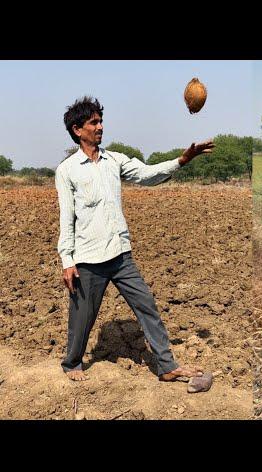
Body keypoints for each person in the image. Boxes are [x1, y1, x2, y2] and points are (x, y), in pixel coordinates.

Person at [55, 96, 213, 383]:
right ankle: (72, 363)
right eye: (94, 122)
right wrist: (67, 260)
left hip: (120, 254)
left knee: (146, 306)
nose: (101, 126)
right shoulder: (67, 171)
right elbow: (67, 219)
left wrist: (182, 160)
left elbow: (147, 175)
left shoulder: (114, 160)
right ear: (78, 130)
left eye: (101, 121)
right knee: (81, 318)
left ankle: (166, 366)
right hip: (88, 259)